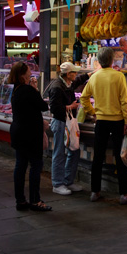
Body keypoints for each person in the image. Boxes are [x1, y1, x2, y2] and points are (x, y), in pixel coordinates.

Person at [80, 47, 127, 205]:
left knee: (98, 156)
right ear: (112, 60)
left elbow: (84, 98)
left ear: (98, 61)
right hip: (117, 121)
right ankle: (124, 194)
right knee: (121, 157)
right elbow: (124, 101)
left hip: (101, 121)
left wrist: (93, 113)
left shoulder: (94, 77)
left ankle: (95, 192)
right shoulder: (118, 76)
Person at [9, 61, 52, 212]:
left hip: (18, 132)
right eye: (28, 71)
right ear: (22, 75)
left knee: (20, 166)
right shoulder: (27, 90)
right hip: (30, 135)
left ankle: (20, 200)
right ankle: (35, 201)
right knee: (36, 166)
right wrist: (35, 90)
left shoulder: (16, 89)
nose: (30, 72)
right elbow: (43, 106)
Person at [48, 62, 85, 196]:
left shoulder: (68, 83)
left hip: (69, 122)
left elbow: (78, 80)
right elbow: (54, 108)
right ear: (68, 74)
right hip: (60, 123)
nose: (76, 74)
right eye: (74, 72)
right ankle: (57, 184)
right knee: (59, 153)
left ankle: (68, 181)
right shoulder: (57, 87)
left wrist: (91, 74)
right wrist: (70, 107)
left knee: (73, 150)